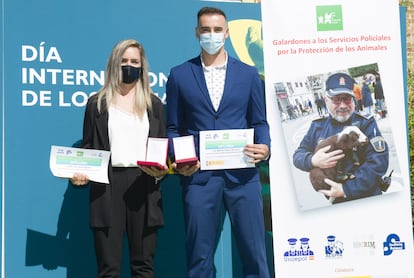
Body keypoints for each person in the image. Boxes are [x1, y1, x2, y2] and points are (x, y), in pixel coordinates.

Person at [166, 6, 271, 278]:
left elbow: (260, 121)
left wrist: (265, 147)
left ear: (227, 33)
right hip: (199, 178)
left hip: (244, 177)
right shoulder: (179, 75)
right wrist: (180, 160)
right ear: (196, 33)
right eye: (205, 30)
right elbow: (174, 128)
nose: (211, 35)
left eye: (216, 30)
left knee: (254, 254)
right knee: (199, 258)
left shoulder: (248, 74)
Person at [70, 39, 169, 278]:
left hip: (144, 185)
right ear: (114, 64)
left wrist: (162, 170)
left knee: (143, 266)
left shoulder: (154, 105)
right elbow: (88, 147)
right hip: (107, 187)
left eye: (134, 61)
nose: (129, 65)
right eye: (124, 61)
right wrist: (79, 175)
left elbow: (161, 148)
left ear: (142, 67)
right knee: (108, 268)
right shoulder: (97, 104)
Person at [293, 72, 389, 203]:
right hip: (338, 201)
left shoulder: (365, 122)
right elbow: (298, 155)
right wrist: (312, 160)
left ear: (354, 99)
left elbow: (379, 161)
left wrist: (346, 189)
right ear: (326, 100)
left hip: (369, 195)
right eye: (337, 99)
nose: (343, 105)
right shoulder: (317, 126)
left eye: (347, 99)